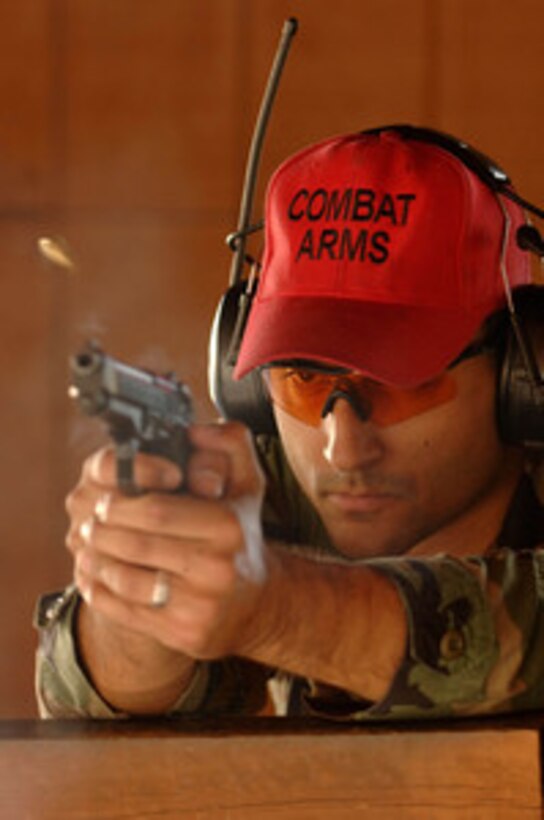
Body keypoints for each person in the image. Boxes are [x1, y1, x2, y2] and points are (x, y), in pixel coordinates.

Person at [35, 125, 544, 721]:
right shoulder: (257, 487)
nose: (344, 449)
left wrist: (279, 609)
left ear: (522, 368)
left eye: (403, 383)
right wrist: (141, 586)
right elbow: (90, 709)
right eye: (302, 382)